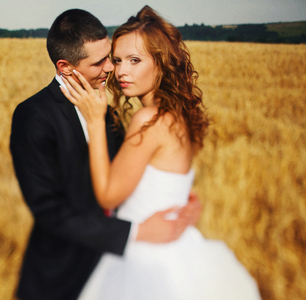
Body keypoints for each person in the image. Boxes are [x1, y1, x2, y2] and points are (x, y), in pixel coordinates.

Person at [60, 5, 262, 300]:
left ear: (161, 63)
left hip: (145, 259)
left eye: (135, 60)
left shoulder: (149, 120)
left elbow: (107, 194)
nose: (122, 70)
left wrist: (93, 120)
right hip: (181, 252)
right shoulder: (180, 115)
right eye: (117, 60)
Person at [9, 8, 201, 300]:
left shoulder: (108, 113)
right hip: (61, 274)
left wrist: (179, 199)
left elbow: (131, 177)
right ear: (65, 67)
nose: (113, 69)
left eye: (111, 57)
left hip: (126, 268)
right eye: (102, 61)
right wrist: (135, 233)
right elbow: (49, 211)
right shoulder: (33, 116)